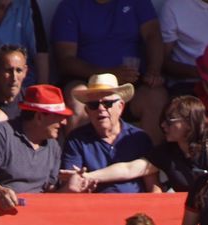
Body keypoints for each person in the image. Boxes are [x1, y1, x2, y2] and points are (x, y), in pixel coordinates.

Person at [51, 0, 167, 129]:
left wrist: (154, 70)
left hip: (131, 82)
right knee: (76, 98)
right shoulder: (70, 5)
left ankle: (151, 150)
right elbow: (66, 60)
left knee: (156, 98)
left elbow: (153, 34)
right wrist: (107, 73)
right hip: (88, 82)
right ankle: (79, 149)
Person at [0, 81, 69, 203]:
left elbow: (49, 191)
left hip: (36, 216)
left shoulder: (53, 145)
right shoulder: (2, 133)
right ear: (39, 117)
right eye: (59, 116)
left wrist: (69, 187)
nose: (64, 122)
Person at [60, 72, 155, 192]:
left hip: (135, 208)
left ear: (120, 107)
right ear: (87, 110)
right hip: (92, 208)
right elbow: (70, 185)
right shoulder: (76, 139)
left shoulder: (139, 138)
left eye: (107, 103)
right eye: (94, 105)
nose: (101, 108)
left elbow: (154, 186)